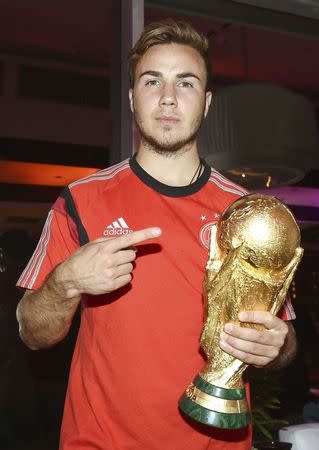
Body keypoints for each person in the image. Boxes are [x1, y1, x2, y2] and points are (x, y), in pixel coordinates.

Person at [16, 19, 297, 450]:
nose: (168, 98)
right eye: (153, 81)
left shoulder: (248, 211)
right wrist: (67, 281)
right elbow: (31, 331)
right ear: (132, 98)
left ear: (205, 104)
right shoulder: (81, 199)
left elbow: (283, 338)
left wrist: (276, 346)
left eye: (185, 84)